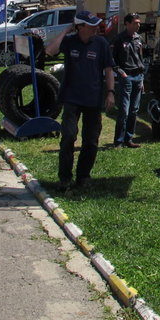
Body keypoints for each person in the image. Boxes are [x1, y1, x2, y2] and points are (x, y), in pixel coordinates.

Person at [45, 10, 115, 193]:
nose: (96, 28)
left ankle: (83, 177)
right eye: (91, 25)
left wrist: (110, 92)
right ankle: (65, 178)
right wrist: (65, 31)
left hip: (93, 99)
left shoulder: (101, 43)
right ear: (80, 27)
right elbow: (50, 50)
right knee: (68, 137)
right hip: (71, 98)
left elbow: (108, 70)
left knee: (91, 141)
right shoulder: (69, 41)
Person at [111, 13, 144, 148]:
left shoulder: (138, 38)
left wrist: (142, 78)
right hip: (126, 76)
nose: (138, 25)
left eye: (139, 23)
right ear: (127, 24)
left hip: (138, 76)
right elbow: (112, 59)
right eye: (135, 23)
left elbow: (141, 58)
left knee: (134, 109)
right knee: (124, 109)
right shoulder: (119, 39)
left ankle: (128, 138)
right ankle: (118, 141)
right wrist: (120, 72)